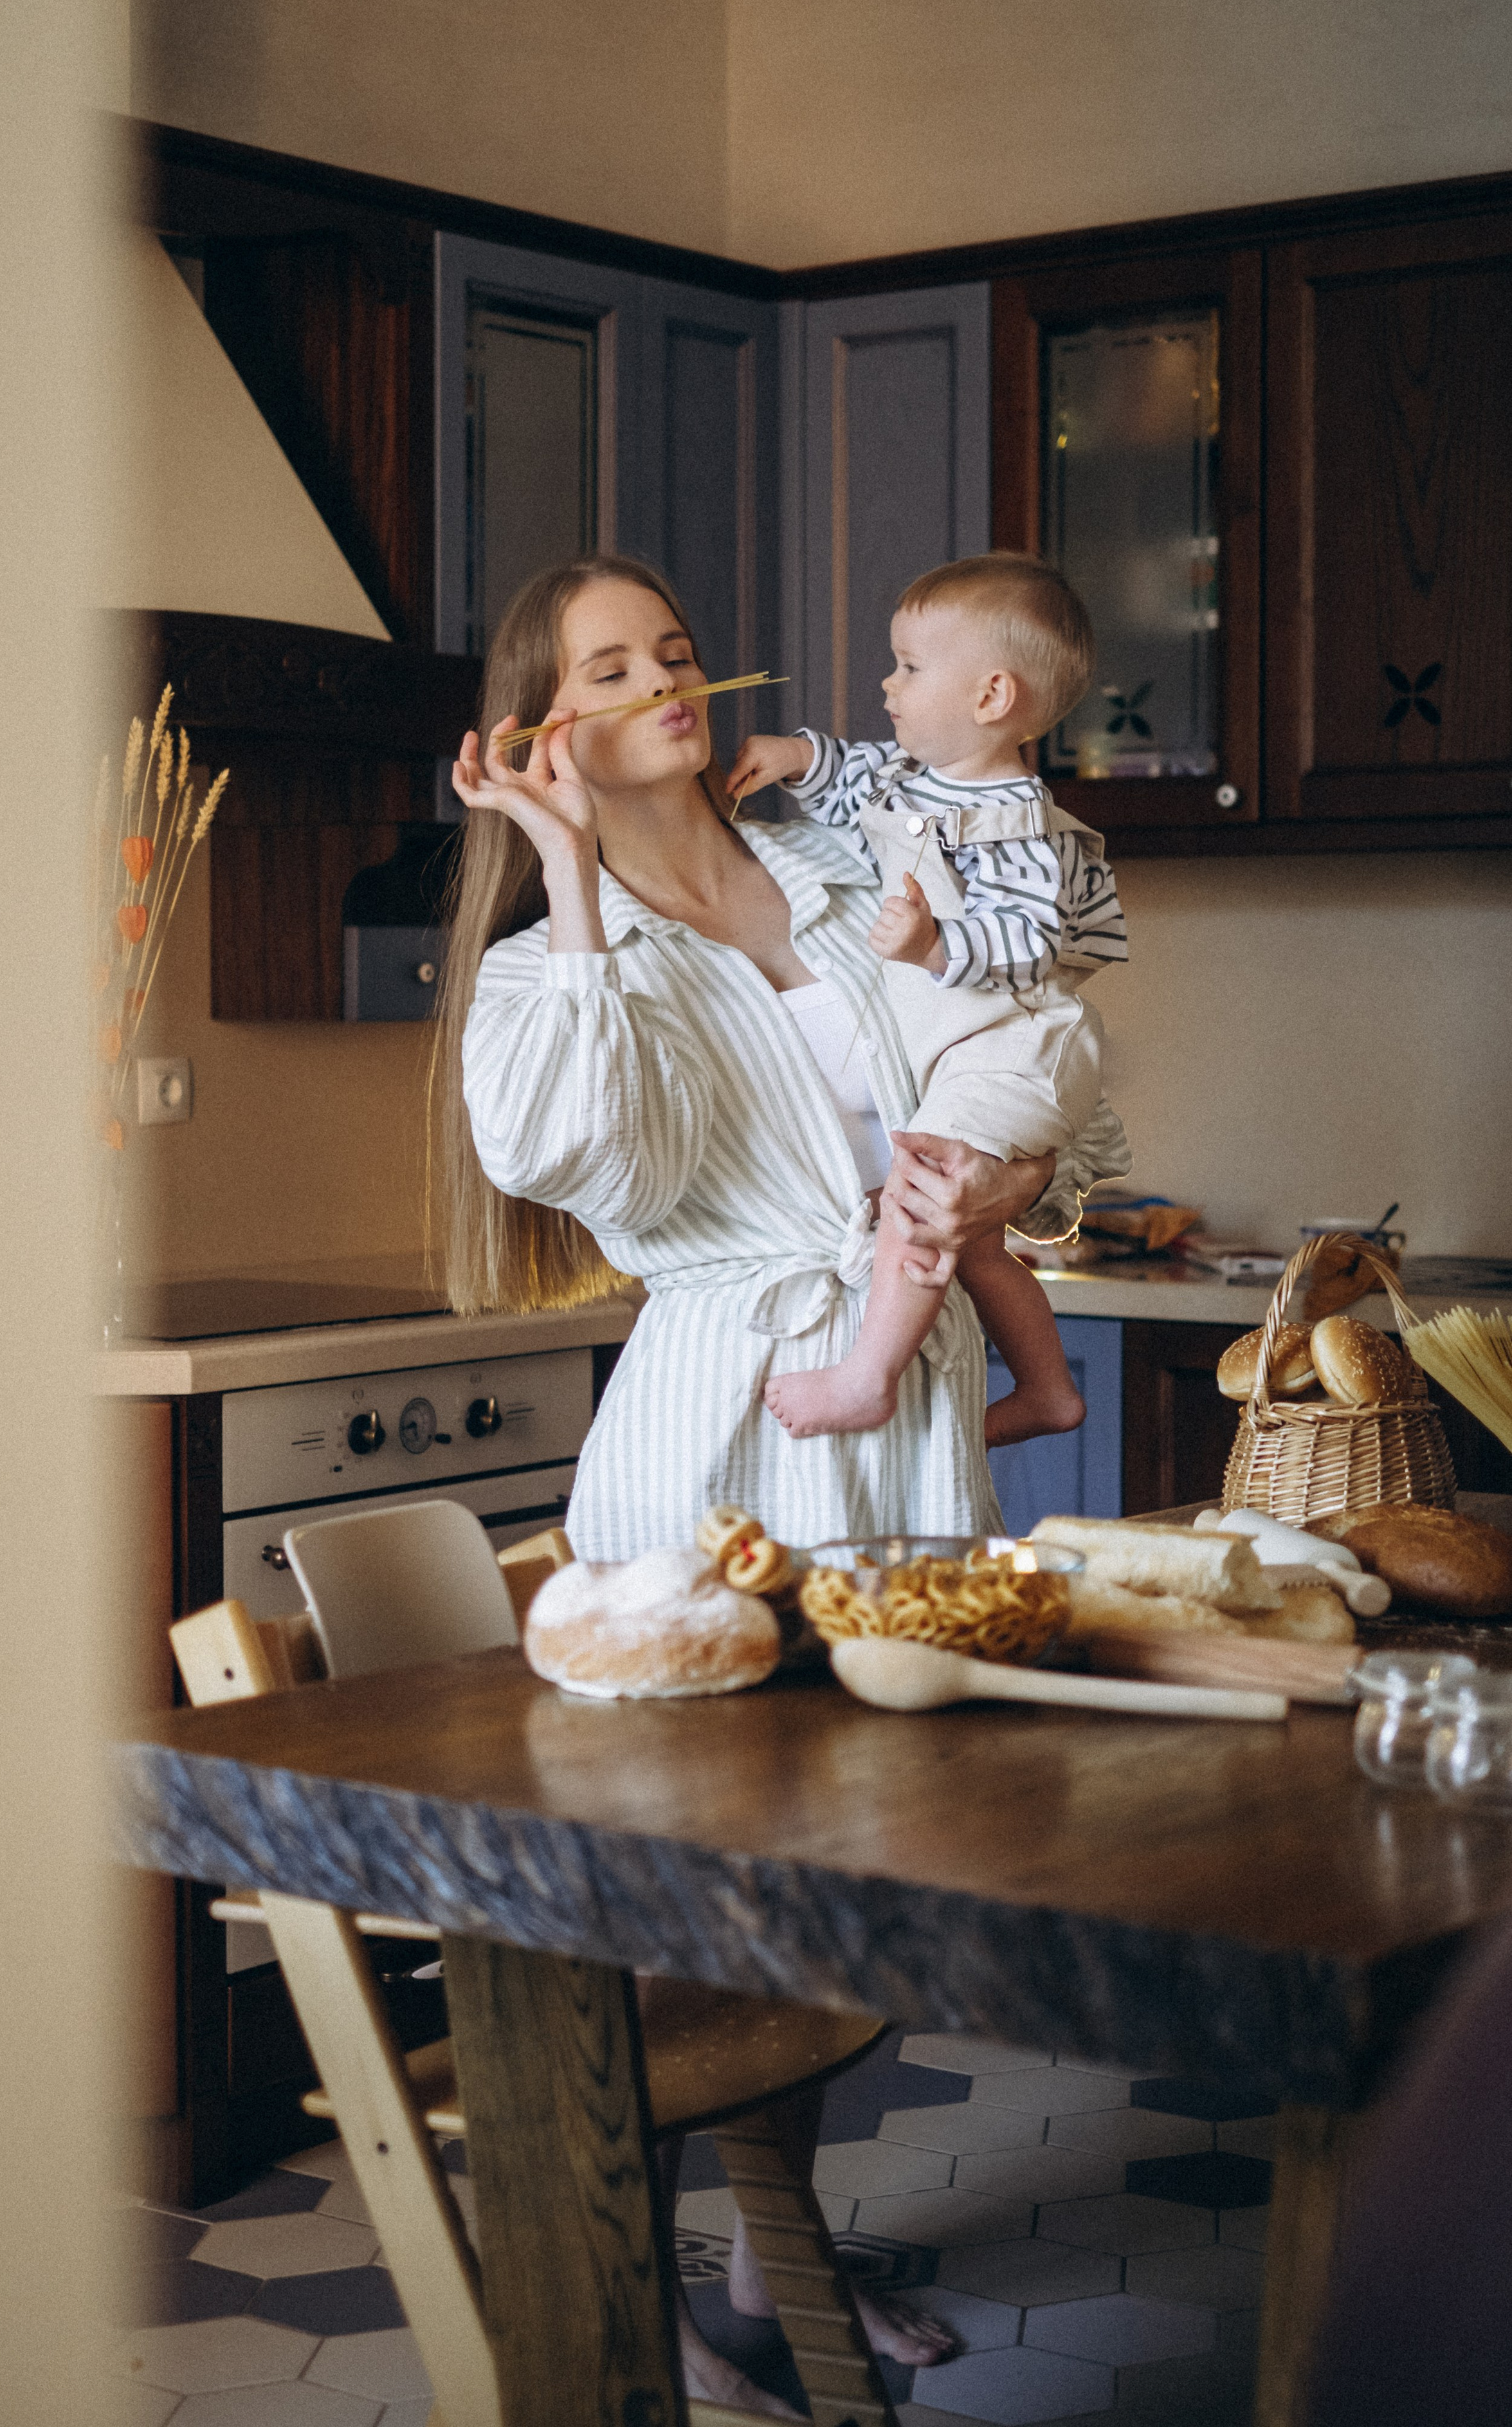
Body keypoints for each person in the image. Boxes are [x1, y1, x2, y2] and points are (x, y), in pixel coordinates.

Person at [435, 551, 1123, 2411]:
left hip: (897, 1409)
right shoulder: (541, 962)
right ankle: (626, 2282)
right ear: (541, 729)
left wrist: (1009, 1179)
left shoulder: (836, 860)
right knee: (666, 1890)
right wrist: (571, 877)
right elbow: (582, 1159)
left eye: (673, 648)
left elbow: (1030, 1062)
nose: (670, 678)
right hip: (723, 1418)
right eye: (612, 667)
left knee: (852, 1875)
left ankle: (767, 2262)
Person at [727, 552, 1131, 1444]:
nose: (888, 684)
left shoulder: (1017, 823)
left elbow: (1030, 941)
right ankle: (1049, 1389)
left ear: (991, 697)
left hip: (1015, 1044)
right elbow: (854, 778)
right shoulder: (916, 778)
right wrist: (795, 757)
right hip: (969, 1050)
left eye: (910, 667)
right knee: (975, 1242)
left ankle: (867, 1378)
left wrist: (935, 946)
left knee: (916, 1199)